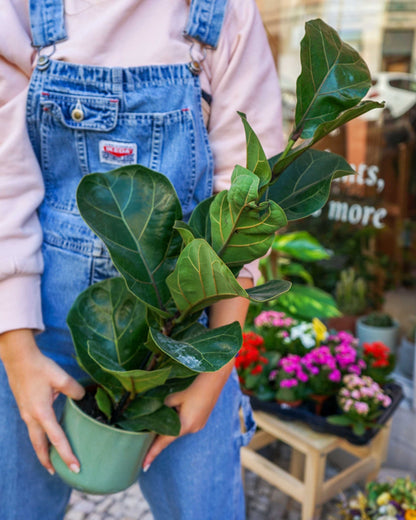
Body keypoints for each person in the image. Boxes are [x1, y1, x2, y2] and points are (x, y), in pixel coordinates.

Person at [0, 0, 283, 518]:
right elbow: (5, 182)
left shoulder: (221, 13)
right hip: (36, 331)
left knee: (204, 507)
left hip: (185, 343)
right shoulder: (19, 11)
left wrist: (213, 373)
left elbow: (247, 194)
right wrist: (17, 356)